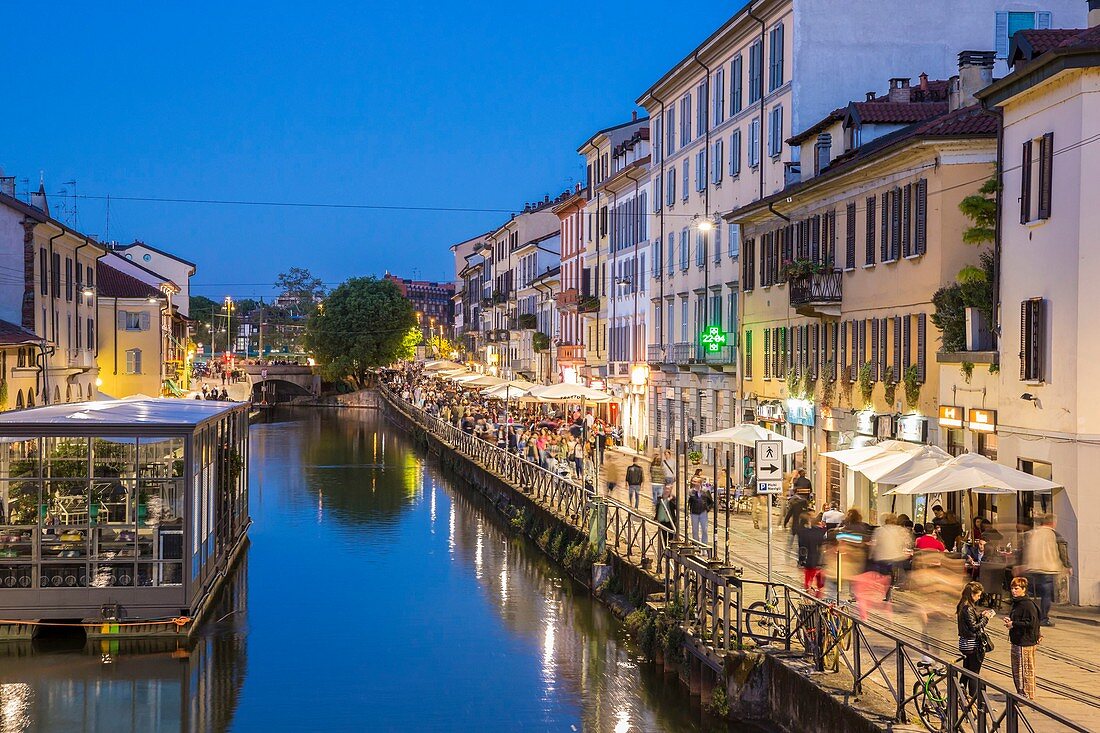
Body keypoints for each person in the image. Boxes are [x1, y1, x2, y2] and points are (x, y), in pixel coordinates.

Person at [1022, 514, 1072, 627]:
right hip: (1047, 568)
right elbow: (1062, 550)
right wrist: (1067, 565)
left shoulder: (1033, 533)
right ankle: (1043, 618)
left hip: (1033, 567)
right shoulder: (1054, 534)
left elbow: (1025, 549)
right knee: (1046, 595)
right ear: (1052, 523)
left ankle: (1028, 616)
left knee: (1030, 594)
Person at [1004, 576, 1041, 700]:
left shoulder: (1027, 605)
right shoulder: (1017, 603)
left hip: (1025, 642)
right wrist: (1011, 621)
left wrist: (1013, 624)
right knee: (1017, 670)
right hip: (1017, 640)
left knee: (1025, 670)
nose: (1013, 591)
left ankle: (1027, 694)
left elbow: (1031, 623)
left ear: (1023, 589)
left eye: (1016, 588)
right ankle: (1020, 692)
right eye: (1012, 588)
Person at [956, 581, 995, 698]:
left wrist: (980, 615)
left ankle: (960, 694)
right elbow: (974, 627)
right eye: (978, 595)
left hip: (965, 643)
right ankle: (974, 698)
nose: (978, 598)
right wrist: (986, 619)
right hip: (972, 645)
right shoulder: (967, 608)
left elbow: (969, 622)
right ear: (972, 594)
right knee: (974, 673)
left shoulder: (963, 605)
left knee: (966, 671)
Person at [797, 513, 827, 598]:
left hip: (809, 562)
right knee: (820, 584)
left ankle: (807, 598)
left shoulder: (806, 533)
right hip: (820, 562)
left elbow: (802, 548)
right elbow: (824, 547)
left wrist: (801, 561)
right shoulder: (821, 534)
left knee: (807, 582)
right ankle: (818, 599)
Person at [687, 478, 712, 548]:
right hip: (694, 513)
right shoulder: (691, 491)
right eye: (693, 481)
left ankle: (704, 546)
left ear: (699, 483)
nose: (694, 483)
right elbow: (688, 502)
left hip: (703, 512)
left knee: (704, 529)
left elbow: (710, 501)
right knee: (695, 530)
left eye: (695, 481)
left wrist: (707, 509)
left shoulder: (705, 491)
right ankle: (696, 546)